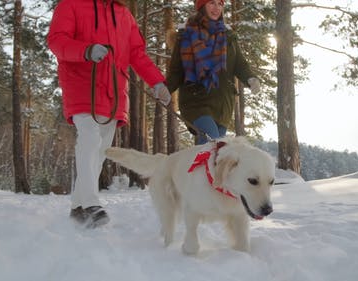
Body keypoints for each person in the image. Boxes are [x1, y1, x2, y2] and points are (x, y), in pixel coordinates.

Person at [47, 0, 171, 228]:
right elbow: (56, 41)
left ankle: (77, 206)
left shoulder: (124, 15)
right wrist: (85, 50)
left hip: (113, 90)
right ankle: (91, 203)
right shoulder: (71, 5)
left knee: (101, 150)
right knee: (90, 138)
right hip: (81, 83)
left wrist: (157, 82)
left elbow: (137, 54)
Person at [167, 0, 261, 144]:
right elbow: (176, 70)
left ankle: (195, 166)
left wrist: (251, 79)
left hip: (222, 104)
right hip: (196, 101)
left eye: (220, 3)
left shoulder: (228, 36)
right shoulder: (187, 35)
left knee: (214, 155)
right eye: (212, 3)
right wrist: (164, 88)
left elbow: (240, 64)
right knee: (212, 144)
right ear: (202, 6)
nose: (216, 8)